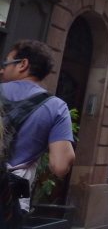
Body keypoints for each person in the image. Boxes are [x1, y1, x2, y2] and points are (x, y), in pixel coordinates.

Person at [1, 40, 75, 214]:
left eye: (6, 64)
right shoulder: (56, 107)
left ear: (23, 64)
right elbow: (60, 166)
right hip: (12, 197)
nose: (1, 70)